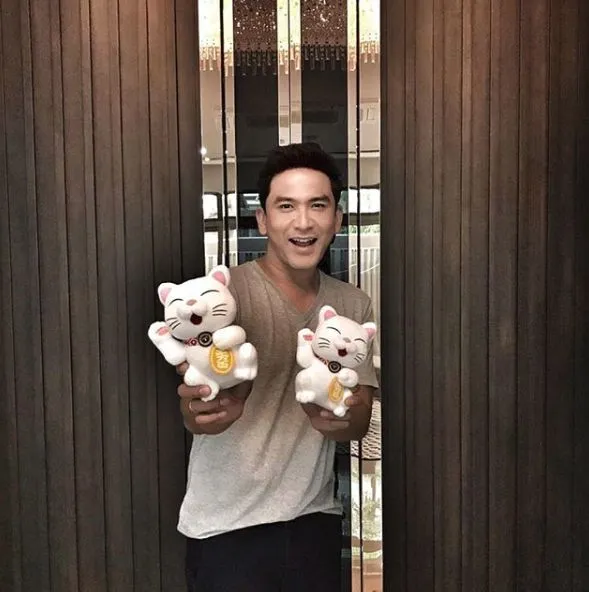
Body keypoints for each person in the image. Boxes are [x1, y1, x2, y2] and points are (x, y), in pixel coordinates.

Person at [177, 142, 379, 591]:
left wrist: (338, 418)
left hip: (313, 519)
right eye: (286, 206)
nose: (303, 222)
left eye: (317, 205)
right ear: (263, 220)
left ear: (337, 220)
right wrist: (205, 411)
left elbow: (359, 419)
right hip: (224, 526)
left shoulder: (352, 305)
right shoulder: (224, 295)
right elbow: (194, 406)